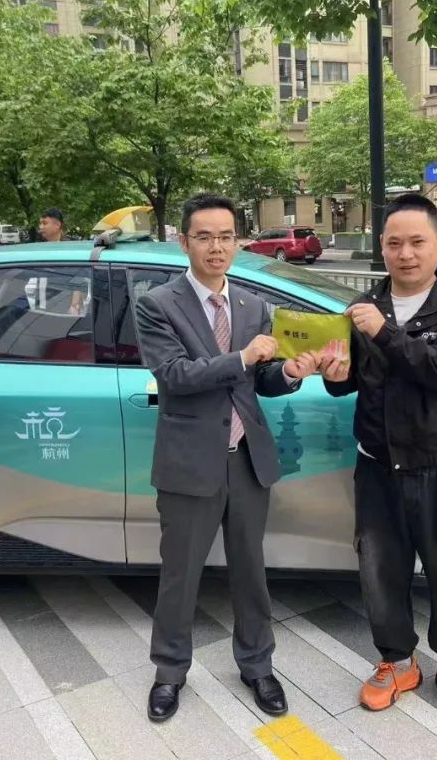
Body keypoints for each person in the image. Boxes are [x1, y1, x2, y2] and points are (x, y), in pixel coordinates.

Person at [135, 192, 319, 723]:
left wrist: (288, 373)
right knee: (180, 574)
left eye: (225, 236)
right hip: (190, 462)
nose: (216, 247)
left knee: (250, 571)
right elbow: (174, 376)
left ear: (237, 241)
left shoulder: (252, 306)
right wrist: (242, 356)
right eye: (204, 237)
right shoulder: (157, 304)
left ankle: (258, 665)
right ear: (184, 241)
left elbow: (259, 380)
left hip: (246, 461)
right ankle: (169, 672)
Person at [318, 192, 437, 724]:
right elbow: (350, 382)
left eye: (417, 241)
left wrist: (386, 333)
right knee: (380, 568)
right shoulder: (367, 305)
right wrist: (333, 374)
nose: (406, 253)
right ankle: (396, 662)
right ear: (382, 246)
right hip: (377, 465)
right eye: (394, 243)